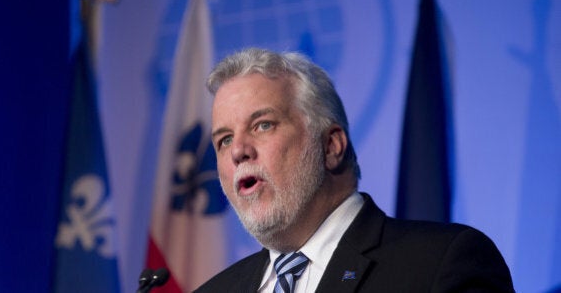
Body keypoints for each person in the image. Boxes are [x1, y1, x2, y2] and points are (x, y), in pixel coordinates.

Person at [194, 48, 514, 292]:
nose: (238, 151)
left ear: (332, 146)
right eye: (223, 140)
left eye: (263, 125)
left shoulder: (440, 264)